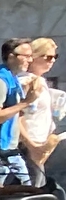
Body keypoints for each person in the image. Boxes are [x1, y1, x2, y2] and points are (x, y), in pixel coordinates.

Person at [0, 38, 37, 185]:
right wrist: (25, 102)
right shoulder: (0, 82)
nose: (30, 60)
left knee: (26, 197)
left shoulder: (13, 81)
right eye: (26, 56)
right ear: (11, 56)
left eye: (31, 56)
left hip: (11, 151)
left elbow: (15, 114)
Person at [22, 38, 61, 189]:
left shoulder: (41, 81)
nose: (52, 61)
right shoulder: (26, 81)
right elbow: (18, 116)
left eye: (55, 57)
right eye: (48, 57)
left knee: (37, 193)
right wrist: (30, 145)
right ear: (34, 57)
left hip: (39, 144)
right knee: (29, 194)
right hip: (28, 146)